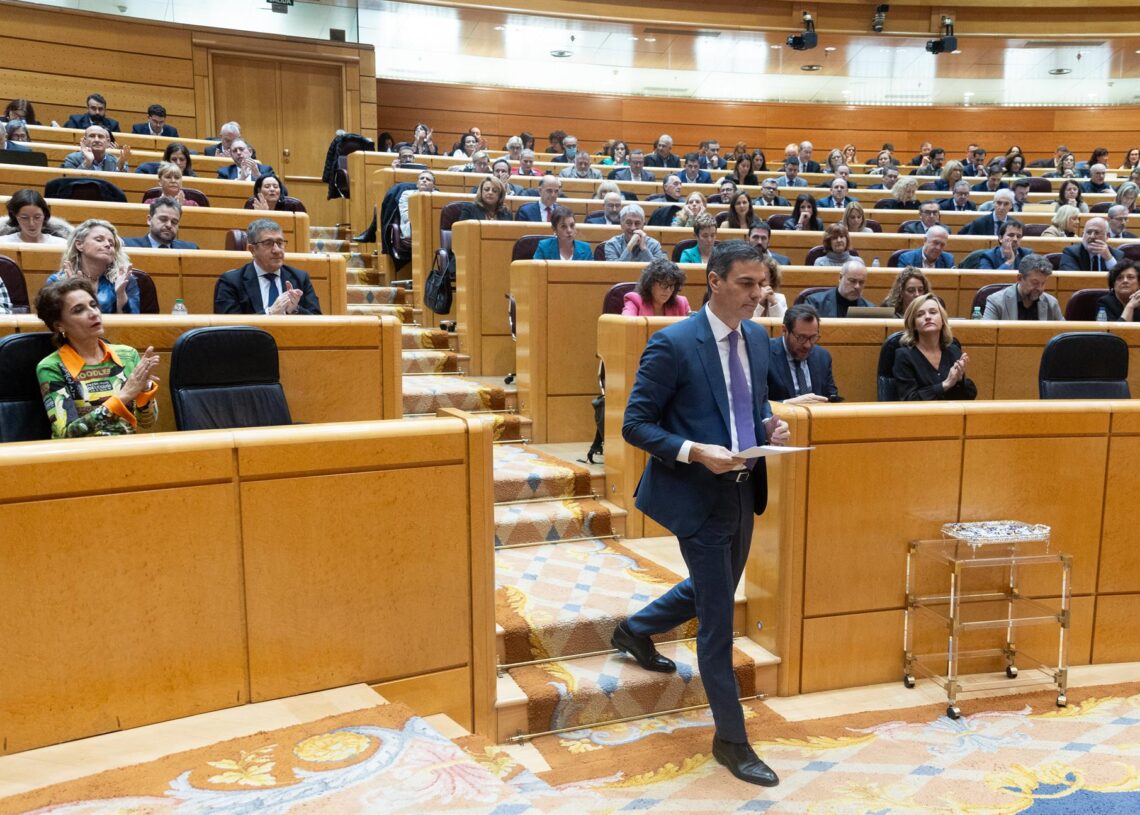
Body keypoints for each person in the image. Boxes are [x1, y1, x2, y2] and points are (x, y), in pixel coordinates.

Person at [617, 239, 788, 788]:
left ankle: (634, 630)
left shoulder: (759, 339)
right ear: (714, 281)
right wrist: (695, 451)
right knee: (718, 621)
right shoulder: (673, 344)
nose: (758, 295)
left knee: (714, 587)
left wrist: (768, 428)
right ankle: (731, 741)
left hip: (742, 489)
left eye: (762, 285)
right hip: (696, 493)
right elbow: (635, 425)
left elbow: (750, 405)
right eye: (746, 284)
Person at [34, 277, 159, 438]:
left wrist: (144, 389)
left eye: (93, 305)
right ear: (59, 325)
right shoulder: (51, 367)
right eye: (78, 310)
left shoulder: (127, 355)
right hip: (81, 457)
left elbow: (147, 423)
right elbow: (66, 434)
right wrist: (125, 395)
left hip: (126, 451)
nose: (93, 313)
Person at [213, 219, 321, 315]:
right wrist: (269, 313)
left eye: (280, 243)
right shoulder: (231, 282)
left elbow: (319, 324)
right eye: (268, 243)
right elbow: (227, 329)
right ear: (252, 249)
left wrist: (295, 310)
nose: (277, 250)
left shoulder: (300, 278)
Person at [893, 294, 977, 401]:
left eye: (933, 312)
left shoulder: (953, 351)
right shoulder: (904, 356)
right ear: (913, 324)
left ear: (942, 320)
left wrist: (959, 381)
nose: (927, 317)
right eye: (920, 314)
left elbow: (966, 399)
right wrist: (945, 385)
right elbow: (909, 399)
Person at [45, 219, 139, 314]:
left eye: (112, 243)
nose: (107, 245)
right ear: (79, 244)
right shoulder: (58, 281)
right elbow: (52, 319)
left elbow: (132, 325)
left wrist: (121, 294)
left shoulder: (124, 280)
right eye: (99, 240)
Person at [767, 304, 839, 403]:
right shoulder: (765, 353)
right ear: (784, 330)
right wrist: (788, 403)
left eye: (813, 337)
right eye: (801, 338)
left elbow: (832, 397)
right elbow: (758, 403)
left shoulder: (822, 357)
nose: (807, 345)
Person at [982, 253, 1064, 319]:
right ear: (1020, 278)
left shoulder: (1051, 303)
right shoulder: (996, 302)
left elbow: (1063, 334)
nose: (1040, 288)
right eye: (1035, 283)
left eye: (1043, 283)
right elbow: (986, 335)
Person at [121, 197, 199, 250]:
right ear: (149, 220)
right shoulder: (127, 246)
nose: (169, 225)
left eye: (174, 222)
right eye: (163, 219)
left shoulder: (191, 249)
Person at [621, 258, 691, 316]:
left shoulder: (681, 303)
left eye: (671, 286)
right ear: (650, 283)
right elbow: (627, 323)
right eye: (664, 285)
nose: (668, 290)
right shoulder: (635, 300)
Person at [0, 189, 70, 245]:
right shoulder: (3, 244)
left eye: (37, 217)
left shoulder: (62, 244)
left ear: (44, 215)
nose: (31, 224)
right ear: (15, 216)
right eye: (24, 218)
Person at [806, 260, 871, 317]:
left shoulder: (870, 309)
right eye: (852, 281)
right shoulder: (815, 303)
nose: (857, 286)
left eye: (861, 282)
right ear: (840, 277)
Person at [1060, 217, 1125, 271]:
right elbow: (1070, 280)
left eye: (1097, 233)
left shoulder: (1117, 255)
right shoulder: (1071, 253)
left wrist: (1109, 258)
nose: (1092, 236)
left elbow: (1120, 278)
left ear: (1107, 236)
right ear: (1083, 235)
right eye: (1089, 232)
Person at [61, 125, 129, 171]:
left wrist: (120, 167)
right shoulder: (72, 159)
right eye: (92, 136)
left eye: (100, 136)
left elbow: (122, 186)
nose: (96, 140)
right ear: (85, 141)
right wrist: (87, 163)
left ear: (108, 142)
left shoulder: (117, 161)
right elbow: (69, 183)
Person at [398, 169, 435, 238]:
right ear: (417, 184)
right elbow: (406, 216)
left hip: (432, 226)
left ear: (433, 186)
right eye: (421, 178)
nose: (424, 180)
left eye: (428, 179)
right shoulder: (407, 194)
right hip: (412, 227)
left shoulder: (438, 195)